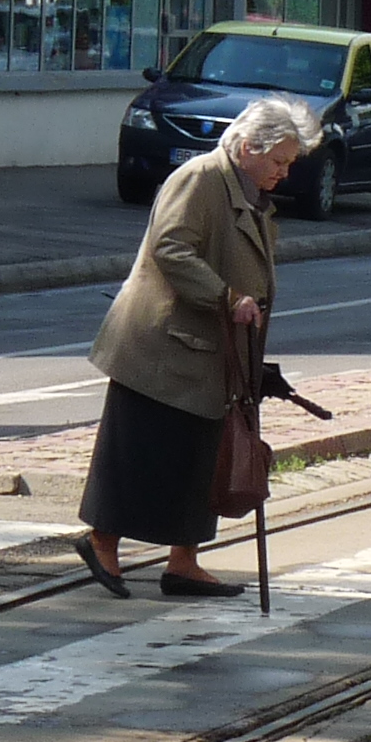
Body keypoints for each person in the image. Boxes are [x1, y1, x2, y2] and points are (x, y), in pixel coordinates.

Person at [76, 98, 314, 598]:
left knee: (201, 459)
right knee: (138, 451)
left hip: (209, 352)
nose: (284, 173)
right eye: (279, 161)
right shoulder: (201, 178)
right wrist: (226, 298)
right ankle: (101, 544)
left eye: (289, 163)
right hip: (161, 346)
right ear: (249, 147)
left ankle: (183, 562)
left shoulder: (245, 190)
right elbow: (170, 248)